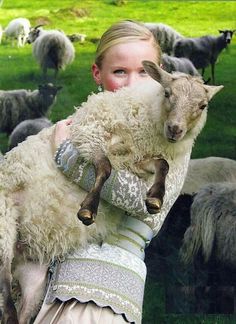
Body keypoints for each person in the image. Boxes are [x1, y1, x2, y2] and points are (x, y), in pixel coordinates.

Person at [34, 20, 191, 324]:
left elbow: (143, 205)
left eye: (145, 71)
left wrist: (67, 157)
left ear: (161, 75)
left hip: (102, 295)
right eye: (120, 72)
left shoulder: (173, 137)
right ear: (98, 74)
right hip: (46, 288)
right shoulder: (80, 126)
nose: (134, 83)